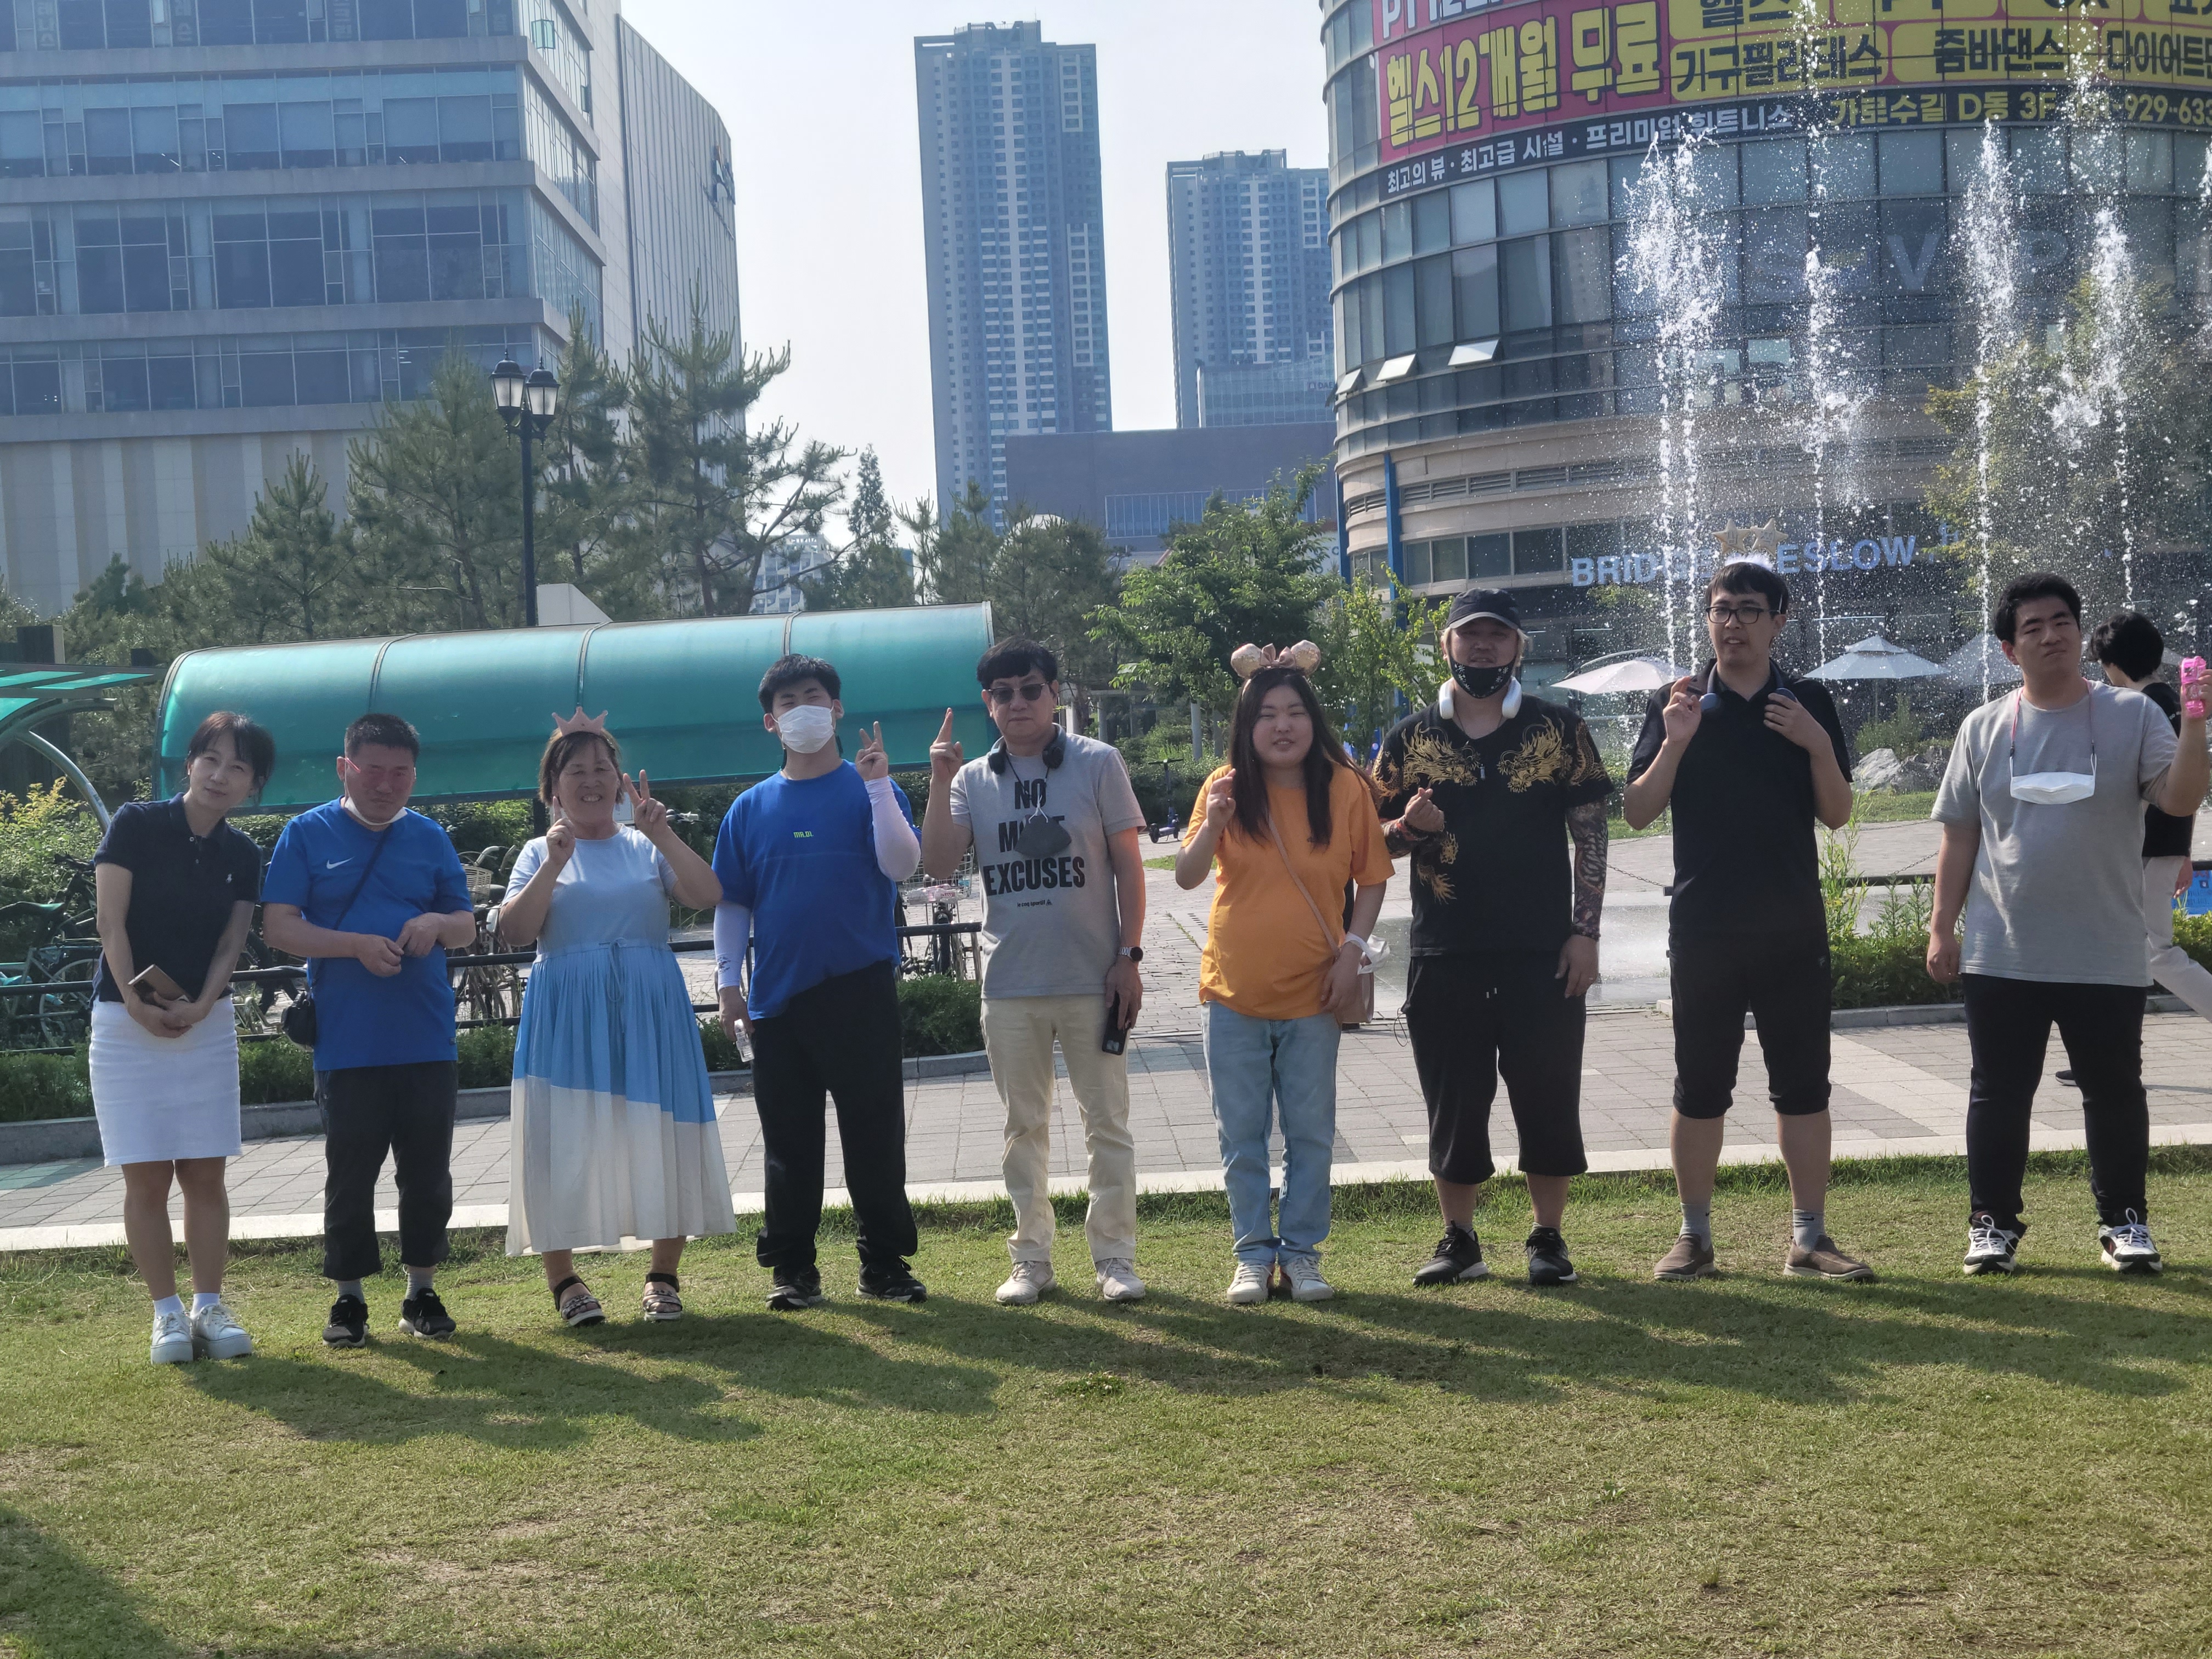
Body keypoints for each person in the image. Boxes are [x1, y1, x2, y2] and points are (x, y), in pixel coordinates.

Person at [1930, 574, 2208, 1276]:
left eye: (2063, 622)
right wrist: (1941, 928)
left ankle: (2125, 1222)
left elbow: (2178, 798)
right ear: (2008, 649)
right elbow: (1959, 836)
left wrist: (2196, 724)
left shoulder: (2132, 714)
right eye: (2033, 627)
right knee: (1998, 1094)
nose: (2051, 635)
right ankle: (1992, 1225)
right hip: (2003, 949)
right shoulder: (1983, 726)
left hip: (2106, 946)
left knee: (2114, 1092)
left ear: (2081, 634)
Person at [1623, 558, 1871, 1282]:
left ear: (1779, 621)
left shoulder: (1808, 700)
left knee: (1804, 1088)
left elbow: (1838, 813)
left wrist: (1815, 742)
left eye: (1749, 611)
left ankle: (1810, 1239)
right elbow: (1636, 812)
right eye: (1721, 610)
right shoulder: (1678, 702)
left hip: (1792, 928)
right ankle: (1694, 1237)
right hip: (1704, 929)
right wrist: (1675, 740)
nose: (1732, 624)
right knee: (1700, 1088)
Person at [1375, 590, 1613, 1288]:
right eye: (1470, 635)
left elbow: (1591, 835)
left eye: (1498, 636)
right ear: (1447, 644)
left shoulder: (1561, 728)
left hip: (1542, 951)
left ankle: (1548, 1238)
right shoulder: (1408, 738)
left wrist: (1586, 934)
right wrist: (1407, 828)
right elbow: (1365, 845)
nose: (1484, 647)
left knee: (1547, 1095)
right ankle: (1460, 1240)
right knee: (1454, 1101)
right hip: (1444, 948)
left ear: (1519, 647)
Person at [918, 639, 1150, 1306]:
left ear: (1054, 693)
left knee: (1107, 1124)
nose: (1017, 702)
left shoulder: (1098, 762)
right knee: (1023, 1128)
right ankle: (1030, 1260)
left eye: (1030, 689)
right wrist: (938, 779)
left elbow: (1130, 867)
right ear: (988, 703)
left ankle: (1115, 1257)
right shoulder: (970, 779)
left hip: (1093, 979)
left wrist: (1130, 957)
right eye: (1003, 693)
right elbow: (939, 865)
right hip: (1010, 984)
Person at [498, 716, 736, 1325]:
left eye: (602, 768)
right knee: (560, 1136)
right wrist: (553, 865)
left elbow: (708, 894)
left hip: (649, 1006)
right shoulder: (538, 852)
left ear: (621, 780)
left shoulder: (645, 845)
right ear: (552, 788)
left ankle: (663, 1275)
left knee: (666, 1129)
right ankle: (565, 1281)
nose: (591, 781)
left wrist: (663, 834)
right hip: (567, 1012)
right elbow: (516, 931)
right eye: (575, 771)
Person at [1175, 646, 1392, 1305]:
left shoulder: (1345, 786)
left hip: (1316, 992)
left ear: (1313, 719)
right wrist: (1214, 824)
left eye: (1295, 711)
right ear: (1247, 726)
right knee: (1241, 1137)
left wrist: (1353, 949)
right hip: (1233, 991)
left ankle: (1301, 1256)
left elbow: (1373, 878)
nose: (1282, 725)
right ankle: (1252, 1256)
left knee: (1310, 1134)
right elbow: (1186, 875)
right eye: (1267, 714)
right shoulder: (1224, 786)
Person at [713, 654, 927, 1311]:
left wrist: (878, 788)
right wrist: (727, 984)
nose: (801, 709)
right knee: (789, 1144)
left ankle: (884, 1265)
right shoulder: (748, 809)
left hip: (861, 988)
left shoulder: (873, 787)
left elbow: (903, 865)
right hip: (778, 1001)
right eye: (787, 702)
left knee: (874, 1136)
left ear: (836, 709)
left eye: (813, 696)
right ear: (770, 722)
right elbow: (732, 903)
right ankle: (793, 1269)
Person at [262, 713, 477, 1346]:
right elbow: (279, 926)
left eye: (400, 773)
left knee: (428, 1174)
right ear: (345, 768)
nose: (386, 785)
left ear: (414, 775)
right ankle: (349, 1298)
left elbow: (466, 924)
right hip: (347, 1040)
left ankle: (421, 1290)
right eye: (372, 771)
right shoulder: (306, 834)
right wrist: (353, 945)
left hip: (426, 1033)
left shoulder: (429, 836)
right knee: (350, 1175)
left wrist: (435, 924)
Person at [91, 713, 273, 1365]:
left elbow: (232, 940)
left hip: (205, 1025)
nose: (220, 775)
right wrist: (136, 1004)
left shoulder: (243, 853)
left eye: (238, 767)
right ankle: (166, 1313)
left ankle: (209, 1307)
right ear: (189, 762)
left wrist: (202, 1004)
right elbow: (110, 922)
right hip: (125, 1024)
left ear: (254, 784)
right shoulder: (136, 824)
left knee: (204, 1174)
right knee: (146, 1177)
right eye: (211, 759)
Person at [2088, 611, 2212, 1023]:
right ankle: (2107, 1040)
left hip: (2143, 845)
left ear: (2113, 663)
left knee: (2154, 951)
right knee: (2122, 948)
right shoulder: (2174, 702)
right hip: (2163, 843)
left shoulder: (2140, 708)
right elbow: (2188, 783)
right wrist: (2183, 851)